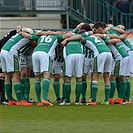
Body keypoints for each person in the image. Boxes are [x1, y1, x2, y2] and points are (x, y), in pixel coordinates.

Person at [22, 30, 72, 106]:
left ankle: (39, 101)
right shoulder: (56, 36)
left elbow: (28, 36)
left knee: (37, 77)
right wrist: (55, 33)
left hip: (35, 53)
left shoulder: (41, 36)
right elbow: (68, 35)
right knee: (46, 75)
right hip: (45, 53)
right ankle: (44, 99)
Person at [93, 22, 130, 104]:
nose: (95, 32)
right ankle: (124, 99)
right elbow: (118, 35)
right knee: (123, 77)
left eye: (95, 30)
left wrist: (108, 37)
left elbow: (116, 37)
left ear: (100, 29)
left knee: (112, 77)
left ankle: (112, 99)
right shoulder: (110, 32)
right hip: (125, 55)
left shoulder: (104, 36)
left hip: (120, 57)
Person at [1, 27, 35, 106]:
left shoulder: (17, 35)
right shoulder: (29, 36)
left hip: (3, 51)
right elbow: (32, 37)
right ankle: (20, 100)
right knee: (17, 74)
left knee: (7, 75)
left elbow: (19, 27)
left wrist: (21, 31)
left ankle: (10, 100)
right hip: (11, 52)